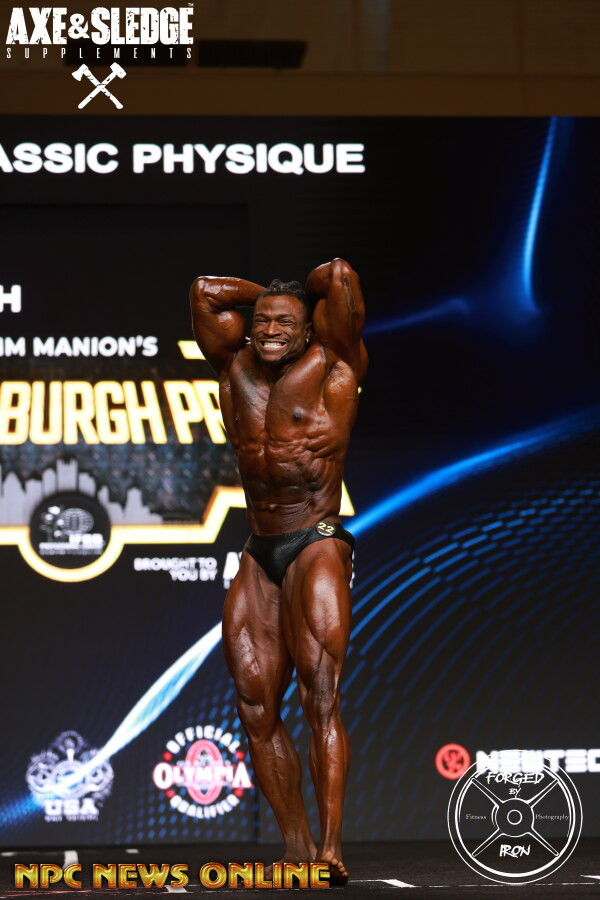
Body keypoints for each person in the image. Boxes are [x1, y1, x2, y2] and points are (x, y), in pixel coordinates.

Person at [189, 259, 367, 884]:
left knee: (321, 698)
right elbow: (205, 292)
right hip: (259, 549)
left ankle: (331, 848)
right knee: (255, 707)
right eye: (261, 321)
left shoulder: (336, 364)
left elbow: (337, 275)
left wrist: (286, 298)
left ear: (310, 330)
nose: (268, 330)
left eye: (283, 323)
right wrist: (269, 297)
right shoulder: (233, 366)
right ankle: (296, 847)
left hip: (315, 540)